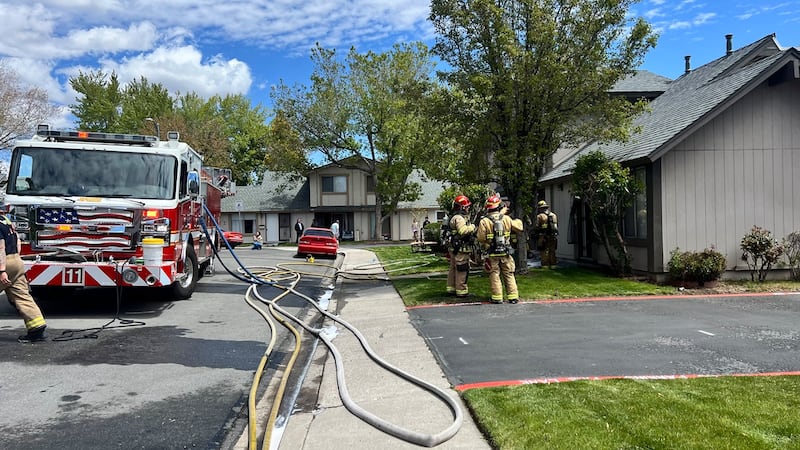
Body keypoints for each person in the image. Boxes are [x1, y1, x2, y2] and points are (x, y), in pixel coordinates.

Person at [0, 213, 47, 342]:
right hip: (16, 260)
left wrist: (2, 270)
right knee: (21, 295)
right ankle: (37, 329)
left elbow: (1, 248)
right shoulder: (5, 220)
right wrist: (15, 258)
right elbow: (17, 240)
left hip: (4, 263)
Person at [477, 195, 525, 304]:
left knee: (494, 274)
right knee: (509, 273)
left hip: (491, 253)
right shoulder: (506, 218)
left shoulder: (484, 221)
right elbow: (519, 227)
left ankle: (497, 297)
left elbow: (480, 238)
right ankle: (513, 297)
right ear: (499, 206)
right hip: (505, 252)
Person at [446, 195, 476, 298]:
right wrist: (472, 226)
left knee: (453, 268)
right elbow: (463, 231)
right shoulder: (459, 218)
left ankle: (451, 289)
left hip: (454, 248)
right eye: (467, 206)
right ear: (462, 207)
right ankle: (461, 291)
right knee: (462, 269)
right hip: (460, 249)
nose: (468, 208)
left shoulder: (453, 217)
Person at [535, 200, 559, 268]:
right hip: (553, 236)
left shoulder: (539, 216)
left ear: (540, 208)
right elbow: (556, 227)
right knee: (552, 250)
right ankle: (553, 264)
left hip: (543, 236)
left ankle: (545, 265)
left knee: (544, 250)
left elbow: (537, 226)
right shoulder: (553, 215)